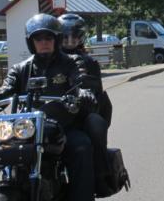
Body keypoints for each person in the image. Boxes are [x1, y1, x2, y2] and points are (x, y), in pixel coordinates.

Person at [0, 14, 96, 201]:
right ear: (31, 42)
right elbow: (5, 91)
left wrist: (84, 92)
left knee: (81, 146)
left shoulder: (71, 62)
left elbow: (79, 81)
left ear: (56, 39)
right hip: (26, 129)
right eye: (38, 39)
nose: (43, 42)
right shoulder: (21, 68)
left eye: (48, 38)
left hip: (63, 127)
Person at [58, 13, 113, 196]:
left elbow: (96, 91)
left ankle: (100, 174)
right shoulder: (49, 58)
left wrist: (87, 96)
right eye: (65, 36)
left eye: (73, 36)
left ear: (81, 37)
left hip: (82, 111)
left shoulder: (89, 62)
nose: (69, 41)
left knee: (94, 125)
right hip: (54, 111)